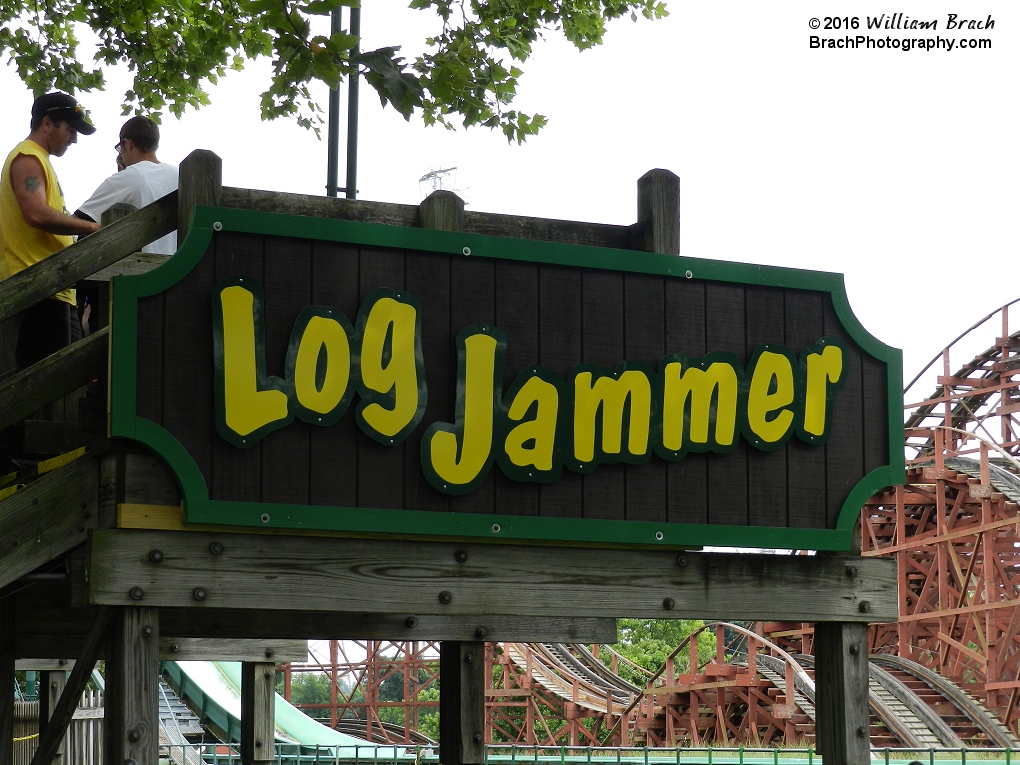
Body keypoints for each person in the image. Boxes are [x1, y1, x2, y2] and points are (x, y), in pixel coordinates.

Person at [0, 92, 100, 371]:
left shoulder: (39, 160)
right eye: (70, 130)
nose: (74, 139)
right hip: (37, 286)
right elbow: (36, 213)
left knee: (64, 387)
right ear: (47, 123)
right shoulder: (27, 158)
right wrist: (92, 228)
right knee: (40, 389)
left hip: (55, 289)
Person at [75, 116, 178, 255]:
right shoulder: (180, 175)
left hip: (140, 270)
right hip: (183, 269)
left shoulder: (127, 177)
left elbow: (77, 222)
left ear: (127, 144)